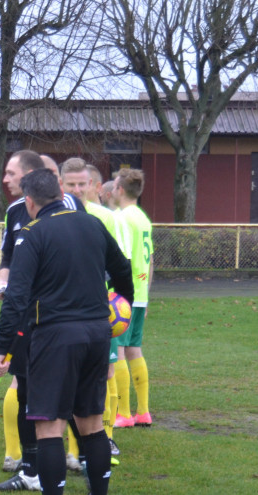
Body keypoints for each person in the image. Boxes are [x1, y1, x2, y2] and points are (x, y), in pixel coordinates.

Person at [0, 168, 133, 495]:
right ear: (60, 193)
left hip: (55, 338)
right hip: (97, 335)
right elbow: (122, 269)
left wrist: (2, 348)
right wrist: (124, 307)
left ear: (30, 201)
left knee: (49, 426)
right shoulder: (92, 225)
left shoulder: (32, 233)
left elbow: (16, 298)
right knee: (91, 424)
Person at [0, 151, 84, 493]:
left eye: (11, 172)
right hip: (25, 318)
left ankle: (83, 457)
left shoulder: (70, 208)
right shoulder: (14, 212)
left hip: (62, 319)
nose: (5, 179)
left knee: (70, 395)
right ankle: (29, 468)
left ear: (30, 177)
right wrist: (5, 284)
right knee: (25, 386)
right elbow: (9, 258)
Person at [59, 158, 129, 461]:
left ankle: (99, 442)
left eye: (81, 184)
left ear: (92, 186)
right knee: (64, 382)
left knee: (103, 376)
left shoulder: (105, 217)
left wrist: (118, 305)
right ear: (61, 185)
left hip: (99, 313)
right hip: (62, 314)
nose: (76, 189)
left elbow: (118, 264)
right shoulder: (53, 216)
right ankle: (69, 449)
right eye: (70, 184)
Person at [112, 168, 154, 428]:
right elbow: (149, 261)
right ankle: (144, 412)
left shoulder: (123, 218)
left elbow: (122, 258)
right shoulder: (142, 217)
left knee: (116, 352)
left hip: (123, 296)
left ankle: (124, 414)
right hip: (139, 295)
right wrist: (146, 295)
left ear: (119, 190)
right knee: (134, 350)